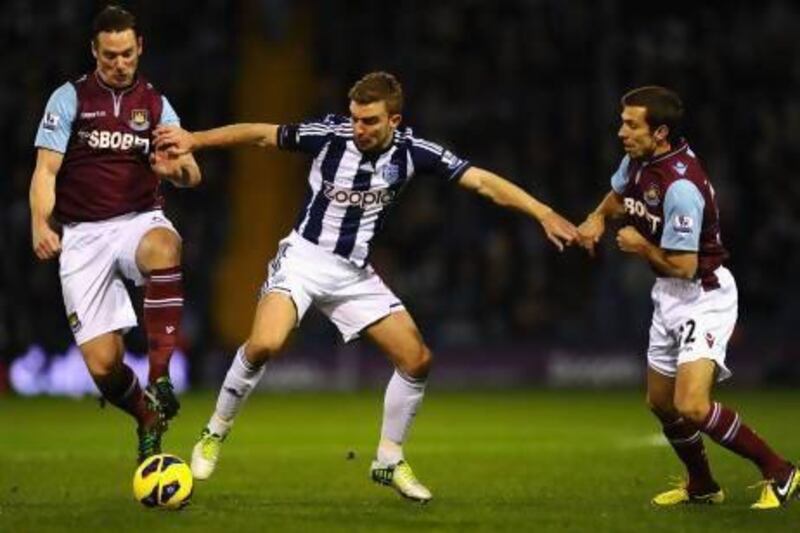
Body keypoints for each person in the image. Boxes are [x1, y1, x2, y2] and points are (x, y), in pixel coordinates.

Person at [154, 71, 577, 502]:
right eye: (355, 118)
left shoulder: (415, 153)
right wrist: (196, 139)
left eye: (370, 121)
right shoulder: (330, 136)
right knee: (265, 343)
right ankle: (214, 433)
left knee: (417, 359)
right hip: (303, 260)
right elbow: (261, 134)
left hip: (354, 274)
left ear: (394, 120)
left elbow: (483, 182)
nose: (359, 128)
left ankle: (389, 459)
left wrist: (542, 213)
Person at [577, 86, 798, 510]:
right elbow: (617, 194)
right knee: (660, 402)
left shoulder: (680, 186)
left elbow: (686, 266)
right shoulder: (638, 160)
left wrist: (640, 247)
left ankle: (781, 471)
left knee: (692, 406)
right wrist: (595, 219)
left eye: (631, 124)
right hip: (668, 295)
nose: (621, 131)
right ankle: (702, 485)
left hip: (703, 294)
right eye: (622, 122)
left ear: (660, 132)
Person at [29, 5, 201, 463]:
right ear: (94, 51)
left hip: (137, 220)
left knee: (165, 245)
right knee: (104, 367)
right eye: (109, 56)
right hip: (83, 235)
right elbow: (46, 171)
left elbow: (192, 171)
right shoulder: (69, 99)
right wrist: (40, 223)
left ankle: (161, 376)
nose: (119, 63)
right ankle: (146, 416)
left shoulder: (157, 105)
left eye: (127, 54)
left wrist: (174, 169)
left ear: (140, 47)